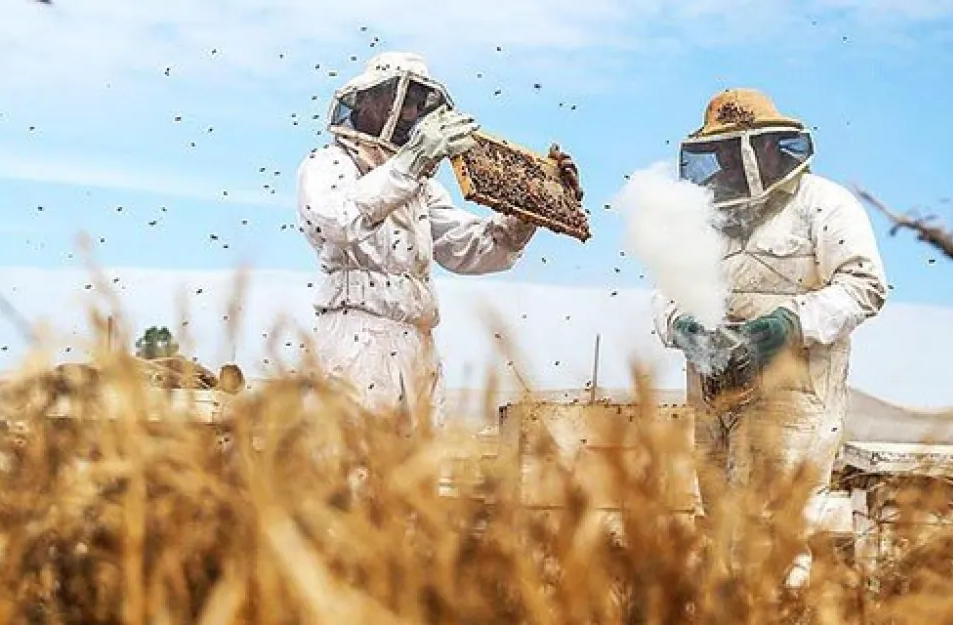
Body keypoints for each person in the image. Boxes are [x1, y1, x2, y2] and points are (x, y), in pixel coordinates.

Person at [652, 87, 887, 587]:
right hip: (714, 393)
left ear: (772, 145)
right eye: (719, 150)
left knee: (775, 533)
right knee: (721, 531)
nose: (729, 161)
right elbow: (665, 291)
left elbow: (865, 285)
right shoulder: (702, 213)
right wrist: (685, 328)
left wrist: (788, 324)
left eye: (740, 147)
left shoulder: (824, 204)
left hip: (795, 394)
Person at [296, 51, 582, 432]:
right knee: (354, 471)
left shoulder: (420, 189)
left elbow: (474, 249)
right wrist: (411, 164)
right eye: (403, 99)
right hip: (357, 335)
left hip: (419, 342)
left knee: (415, 479)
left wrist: (531, 206)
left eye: (417, 102)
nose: (411, 113)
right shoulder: (329, 163)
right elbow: (335, 221)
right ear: (369, 100)